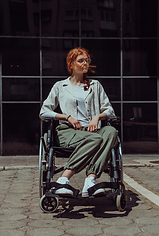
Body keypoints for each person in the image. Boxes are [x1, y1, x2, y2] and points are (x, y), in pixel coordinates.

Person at [39, 47, 118, 197]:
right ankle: (63, 180)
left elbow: (109, 110)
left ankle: (90, 181)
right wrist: (66, 117)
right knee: (96, 139)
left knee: (111, 132)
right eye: (81, 61)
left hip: (92, 131)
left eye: (87, 61)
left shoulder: (95, 85)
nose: (85, 64)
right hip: (69, 131)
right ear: (71, 64)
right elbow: (44, 112)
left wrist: (97, 117)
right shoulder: (60, 86)